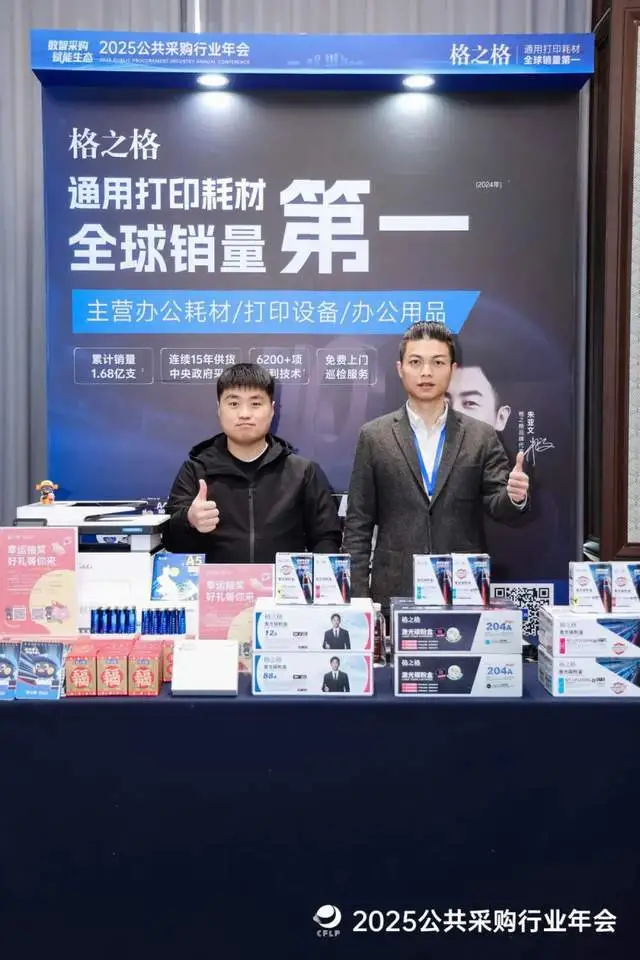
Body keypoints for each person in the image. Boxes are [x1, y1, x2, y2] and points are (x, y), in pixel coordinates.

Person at [342, 322, 530, 606]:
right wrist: (357, 600)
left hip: (463, 589)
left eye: (437, 362)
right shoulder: (374, 436)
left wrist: (514, 497)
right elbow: (358, 523)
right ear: (400, 369)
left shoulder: (481, 435)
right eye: (415, 362)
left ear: (452, 370)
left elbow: (498, 504)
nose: (426, 372)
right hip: (395, 588)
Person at [162, 363, 342, 562]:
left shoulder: (303, 472)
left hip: (282, 581)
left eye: (255, 403)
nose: (244, 414)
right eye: (234, 404)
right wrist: (189, 520)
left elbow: (326, 538)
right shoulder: (195, 471)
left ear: (272, 409)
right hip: (217, 582)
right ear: (219, 409)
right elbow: (170, 541)